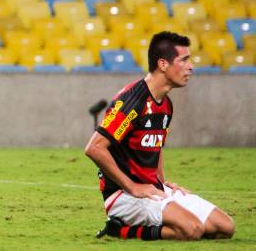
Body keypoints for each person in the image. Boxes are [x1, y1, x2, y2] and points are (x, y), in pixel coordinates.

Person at [85, 31, 236, 241]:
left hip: (152, 190)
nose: (191, 66)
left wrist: (162, 183)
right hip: (123, 195)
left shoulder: (166, 104)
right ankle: (120, 230)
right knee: (192, 229)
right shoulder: (132, 101)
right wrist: (132, 186)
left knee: (225, 227)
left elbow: (156, 147)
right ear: (163, 64)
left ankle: (162, 214)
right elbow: (94, 148)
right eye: (184, 60)